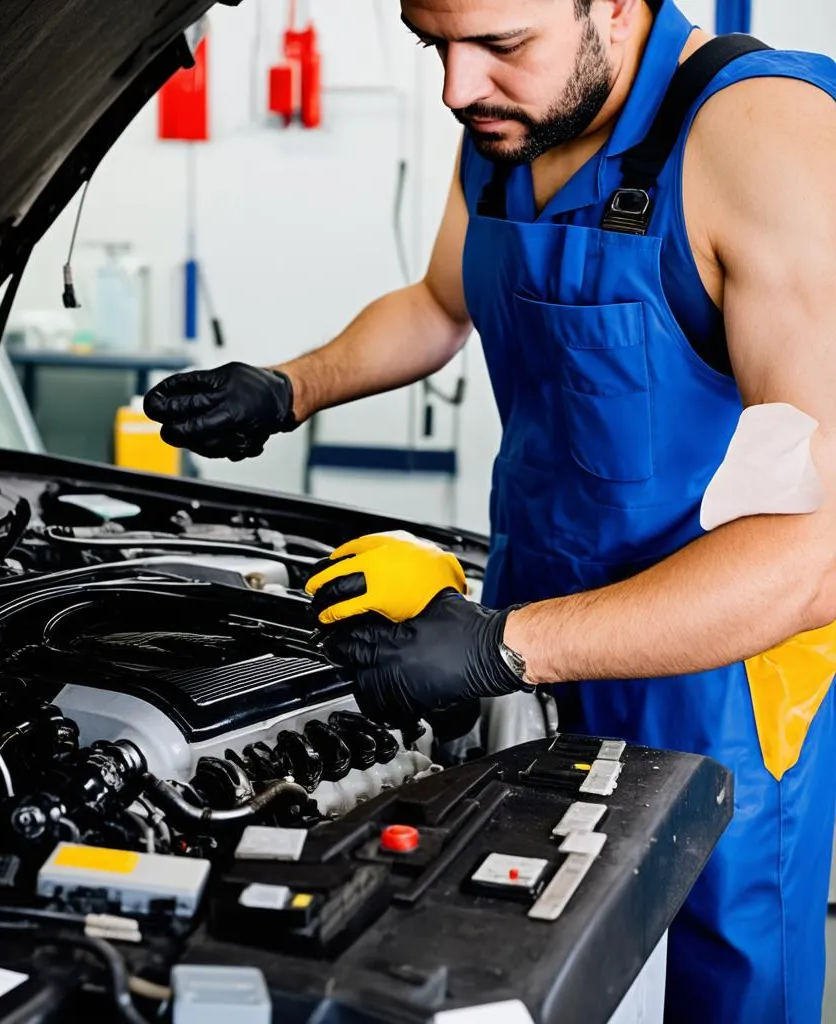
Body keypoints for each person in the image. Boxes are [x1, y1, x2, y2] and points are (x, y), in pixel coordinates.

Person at [143, 1, 836, 1020]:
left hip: (714, 680)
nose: (455, 89)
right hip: (526, 634)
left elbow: (815, 553)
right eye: (435, 46)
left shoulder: (762, 135)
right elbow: (438, 300)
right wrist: (290, 387)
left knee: (709, 982)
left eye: (500, 47)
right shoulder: (514, 127)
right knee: (512, 957)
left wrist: (500, 651)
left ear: (614, 6)